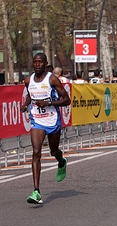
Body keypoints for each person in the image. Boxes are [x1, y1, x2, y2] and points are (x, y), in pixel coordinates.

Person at [20, 53, 71, 204]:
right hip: (37, 120)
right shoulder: (28, 80)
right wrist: (26, 104)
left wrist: (49, 103)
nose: (37, 64)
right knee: (36, 152)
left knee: (54, 150)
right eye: (35, 62)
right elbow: (30, 94)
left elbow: (67, 100)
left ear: (45, 63)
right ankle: (36, 191)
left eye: (40, 62)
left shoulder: (52, 79)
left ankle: (61, 161)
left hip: (53, 120)